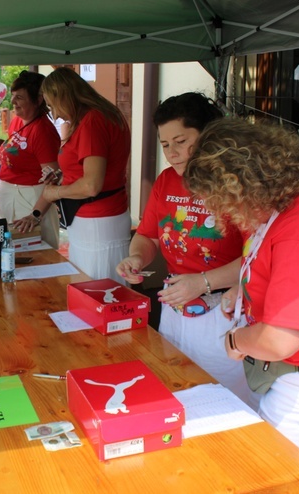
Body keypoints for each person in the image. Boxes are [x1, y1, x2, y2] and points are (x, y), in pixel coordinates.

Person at [184, 118, 299, 473]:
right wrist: (245, 289)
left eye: (220, 200)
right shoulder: (294, 200)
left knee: (279, 478)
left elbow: (280, 339)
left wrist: (237, 340)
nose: (220, 212)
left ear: (240, 185)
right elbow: (274, 262)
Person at [115, 93, 248, 403]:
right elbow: (147, 236)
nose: (172, 153)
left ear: (208, 136)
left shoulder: (237, 184)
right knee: (175, 385)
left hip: (223, 309)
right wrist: (136, 257)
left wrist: (203, 282)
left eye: (180, 141)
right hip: (176, 304)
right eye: (164, 145)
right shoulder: (166, 182)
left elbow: (259, 259)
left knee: (220, 396)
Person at [34, 67, 131, 282]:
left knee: (95, 289)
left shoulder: (93, 121)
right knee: (96, 288)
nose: (55, 114)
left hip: (97, 220)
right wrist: (63, 177)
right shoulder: (103, 115)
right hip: (98, 218)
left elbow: (91, 185)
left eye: (52, 106)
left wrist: (55, 192)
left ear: (65, 96)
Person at [0, 71, 61, 249]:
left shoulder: (43, 131)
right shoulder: (17, 121)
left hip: (30, 198)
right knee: (4, 253)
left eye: (20, 97)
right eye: (13, 96)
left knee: (32, 253)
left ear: (38, 100)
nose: (13, 102)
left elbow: (53, 179)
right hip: (7, 193)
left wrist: (36, 214)